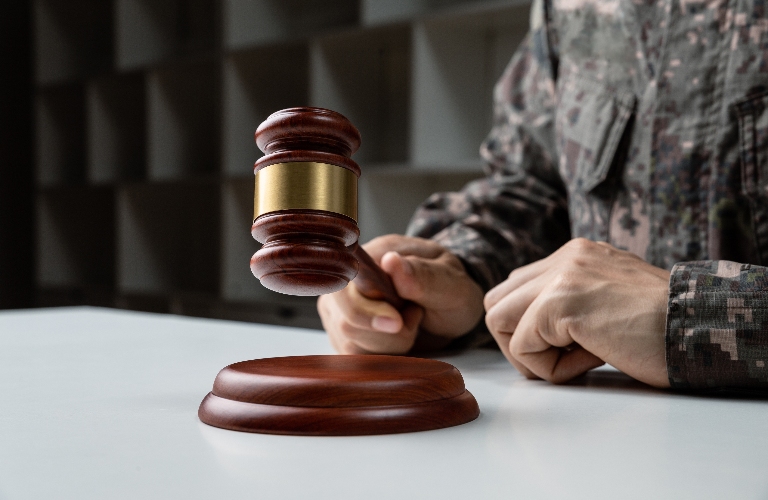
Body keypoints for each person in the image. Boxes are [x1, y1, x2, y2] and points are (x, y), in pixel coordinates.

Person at [318, 0, 768, 390]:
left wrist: (696, 316)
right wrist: (459, 276)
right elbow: (533, 188)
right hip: (597, 430)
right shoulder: (569, 9)